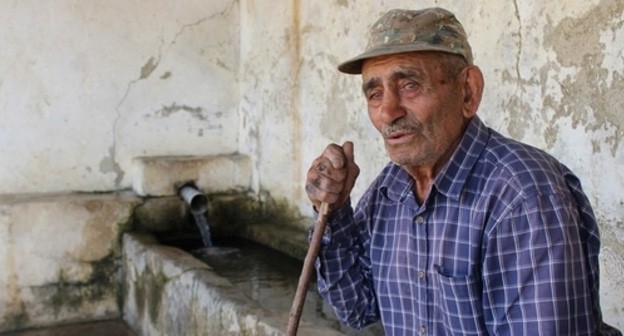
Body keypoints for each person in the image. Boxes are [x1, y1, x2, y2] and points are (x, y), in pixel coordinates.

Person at [304, 7, 622, 336]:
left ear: (467, 91)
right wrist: (334, 213)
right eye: (375, 93)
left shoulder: (523, 196)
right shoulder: (391, 190)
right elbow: (356, 308)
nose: (387, 112)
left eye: (410, 85)